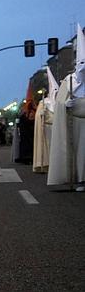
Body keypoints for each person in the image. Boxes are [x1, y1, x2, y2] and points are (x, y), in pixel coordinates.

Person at [48, 24, 85, 191]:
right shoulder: (68, 82)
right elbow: (60, 104)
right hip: (74, 124)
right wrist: (66, 105)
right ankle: (75, 178)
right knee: (75, 153)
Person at [33, 66, 59, 173]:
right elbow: (38, 117)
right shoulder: (44, 102)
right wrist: (41, 114)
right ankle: (45, 164)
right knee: (47, 146)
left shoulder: (59, 102)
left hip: (57, 128)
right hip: (47, 128)